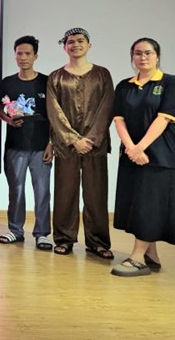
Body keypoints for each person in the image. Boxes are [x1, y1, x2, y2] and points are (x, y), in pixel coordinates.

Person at [111, 38, 175, 277]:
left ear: (157, 56)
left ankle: (138, 257)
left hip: (159, 156)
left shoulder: (171, 83)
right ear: (132, 56)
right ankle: (151, 254)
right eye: (138, 53)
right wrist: (131, 149)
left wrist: (140, 148)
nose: (143, 57)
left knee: (149, 205)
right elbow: (118, 119)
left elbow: (163, 119)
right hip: (131, 155)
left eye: (148, 53)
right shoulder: (124, 86)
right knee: (135, 203)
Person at [46, 28, 114, 258]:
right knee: (65, 193)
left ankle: (98, 242)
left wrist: (91, 139)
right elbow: (54, 112)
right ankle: (64, 239)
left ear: (89, 45)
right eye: (70, 41)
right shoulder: (56, 77)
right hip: (66, 147)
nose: (75, 45)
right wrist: (74, 139)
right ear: (64, 46)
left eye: (80, 41)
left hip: (96, 146)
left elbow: (106, 108)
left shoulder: (103, 74)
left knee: (96, 194)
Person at [0, 36, 54, 250]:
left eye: (27, 53)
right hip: (15, 145)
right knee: (16, 190)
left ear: (35, 56)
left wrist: (52, 143)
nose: (23, 57)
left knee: (42, 191)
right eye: (19, 53)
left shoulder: (47, 82)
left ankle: (42, 233)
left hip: (41, 146)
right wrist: (7, 119)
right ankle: (15, 230)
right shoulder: (8, 82)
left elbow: (55, 115)